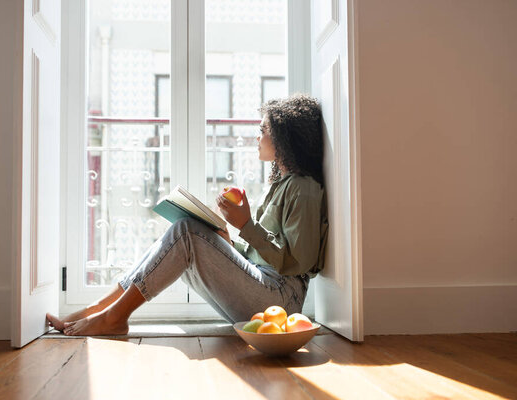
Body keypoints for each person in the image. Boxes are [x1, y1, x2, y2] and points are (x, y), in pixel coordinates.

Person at [46, 94, 329, 336]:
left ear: (284, 138)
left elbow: (297, 262)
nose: (258, 137)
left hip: (282, 299)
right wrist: (231, 241)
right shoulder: (284, 183)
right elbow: (269, 253)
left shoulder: (303, 188)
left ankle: (113, 317)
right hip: (266, 285)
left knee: (186, 233)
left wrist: (246, 224)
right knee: (186, 226)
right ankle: (103, 309)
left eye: (264, 130)